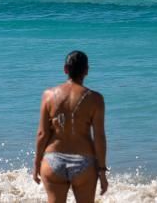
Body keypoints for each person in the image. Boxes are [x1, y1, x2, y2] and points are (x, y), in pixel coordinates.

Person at [33, 50, 108, 203]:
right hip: (84, 162)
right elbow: (99, 137)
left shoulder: (48, 95)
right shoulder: (95, 99)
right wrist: (102, 171)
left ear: (65, 69)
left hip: (53, 160)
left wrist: (36, 165)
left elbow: (42, 134)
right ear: (86, 70)